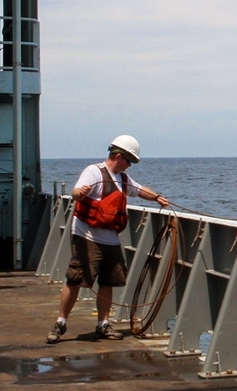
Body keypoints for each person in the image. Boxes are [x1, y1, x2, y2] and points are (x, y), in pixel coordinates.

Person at [46, 135, 168, 344]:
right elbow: (76, 193)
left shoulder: (123, 179)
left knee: (108, 281)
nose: (130, 165)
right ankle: (60, 323)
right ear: (119, 157)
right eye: (129, 161)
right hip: (87, 237)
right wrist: (81, 192)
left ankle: (103, 325)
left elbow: (139, 190)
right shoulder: (94, 172)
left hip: (111, 240)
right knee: (75, 279)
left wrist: (157, 197)